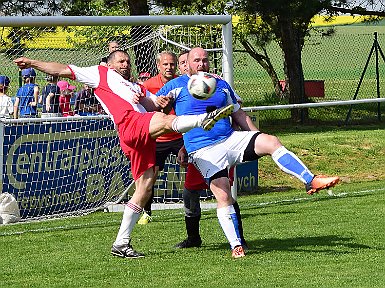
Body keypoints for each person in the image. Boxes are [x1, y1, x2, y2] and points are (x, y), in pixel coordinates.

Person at [14, 50, 234, 259]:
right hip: (129, 124)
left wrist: (162, 103)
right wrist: (32, 63)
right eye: (120, 61)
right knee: (166, 123)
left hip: (144, 135)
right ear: (109, 65)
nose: (126, 64)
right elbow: (61, 69)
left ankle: (121, 243)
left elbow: (155, 105)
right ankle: (202, 120)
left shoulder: (137, 87)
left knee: (145, 187)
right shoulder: (100, 74)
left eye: (128, 61)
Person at [156, 47, 340, 258]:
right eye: (196, 60)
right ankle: (236, 246)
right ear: (187, 63)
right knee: (223, 194)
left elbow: (239, 115)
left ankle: (310, 179)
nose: (201, 64)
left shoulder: (221, 85)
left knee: (271, 141)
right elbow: (153, 109)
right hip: (203, 151)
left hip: (229, 139)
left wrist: (255, 137)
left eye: (205, 60)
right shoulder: (174, 86)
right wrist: (158, 104)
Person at [138, 51, 181, 224]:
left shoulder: (182, 83)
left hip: (179, 136)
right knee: (149, 176)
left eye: (172, 64)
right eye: (165, 64)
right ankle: (146, 212)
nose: (169, 67)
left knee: (199, 166)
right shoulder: (149, 86)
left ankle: (217, 203)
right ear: (158, 66)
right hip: (158, 138)